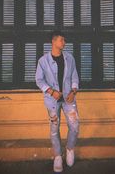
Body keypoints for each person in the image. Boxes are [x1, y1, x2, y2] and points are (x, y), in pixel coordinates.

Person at [35, 30, 79, 172]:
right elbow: (39, 80)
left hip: (68, 99)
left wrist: (73, 91)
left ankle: (70, 149)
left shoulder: (70, 58)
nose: (64, 43)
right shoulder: (43, 61)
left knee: (75, 126)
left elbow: (74, 77)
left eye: (64, 40)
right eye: (61, 40)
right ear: (53, 41)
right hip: (52, 101)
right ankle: (58, 156)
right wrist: (51, 91)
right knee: (55, 128)